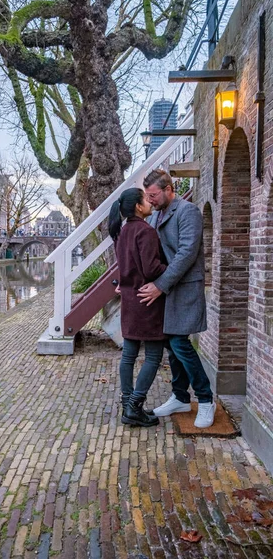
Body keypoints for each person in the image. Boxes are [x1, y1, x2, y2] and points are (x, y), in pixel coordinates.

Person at [138, 169, 215, 429]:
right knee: (172, 344)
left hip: (185, 288)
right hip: (170, 289)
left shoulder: (188, 211)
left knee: (179, 342)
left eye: (154, 195)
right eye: (147, 197)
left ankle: (205, 400)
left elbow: (186, 253)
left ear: (169, 189)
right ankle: (180, 397)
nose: (150, 201)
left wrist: (160, 286)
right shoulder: (157, 214)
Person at [108, 188, 167, 428]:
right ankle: (134, 405)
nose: (150, 201)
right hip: (147, 301)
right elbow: (151, 269)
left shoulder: (122, 233)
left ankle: (127, 405)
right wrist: (171, 268)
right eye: (145, 198)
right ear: (138, 207)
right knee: (153, 355)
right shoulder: (146, 231)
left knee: (129, 355)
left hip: (130, 301)